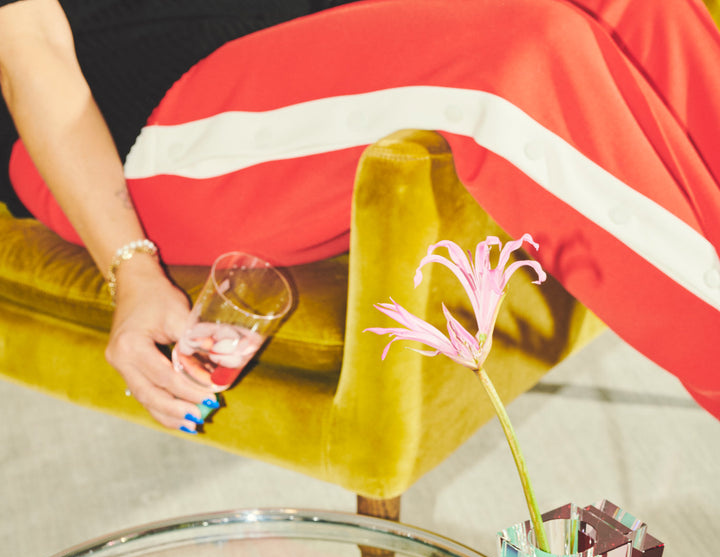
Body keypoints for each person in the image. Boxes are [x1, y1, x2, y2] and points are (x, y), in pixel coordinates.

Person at [1, 0, 719, 433]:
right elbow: (27, 50)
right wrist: (130, 270)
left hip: (304, 29)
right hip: (130, 116)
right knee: (519, 60)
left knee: (639, 7)